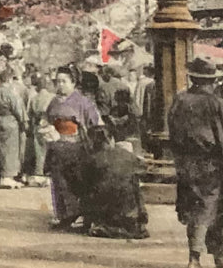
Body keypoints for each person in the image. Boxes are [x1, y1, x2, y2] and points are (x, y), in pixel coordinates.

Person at [169, 58, 223, 268]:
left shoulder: (179, 101)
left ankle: (217, 252)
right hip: (211, 164)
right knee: (209, 207)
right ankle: (195, 259)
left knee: (195, 208)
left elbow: (172, 133)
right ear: (212, 81)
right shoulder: (217, 104)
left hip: (186, 163)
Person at [44, 65, 102, 230]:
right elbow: (46, 119)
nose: (60, 84)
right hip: (56, 146)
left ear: (73, 83)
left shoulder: (83, 102)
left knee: (75, 183)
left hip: (76, 147)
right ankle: (62, 215)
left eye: (64, 81)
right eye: (58, 81)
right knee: (58, 183)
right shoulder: (54, 101)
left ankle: (78, 216)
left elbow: (94, 125)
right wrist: (47, 129)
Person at [78, 126, 149, 239]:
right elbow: (143, 169)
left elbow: (83, 187)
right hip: (131, 212)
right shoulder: (127, 155)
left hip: (105, 210)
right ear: (111, 139)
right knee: (133, 183)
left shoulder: (91, 159)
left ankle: (101, 224)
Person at [0, 61, 27, 188]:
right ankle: (8, 176)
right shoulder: (10, 93)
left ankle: (3, 175)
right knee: (11, 149)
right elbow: (18, 109)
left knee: (1, 149)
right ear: (9, 78)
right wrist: (23, 122)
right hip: (11, 122)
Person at [99, 64, 141, 149]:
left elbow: (103, 109)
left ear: (108, 74)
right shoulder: (125, 86)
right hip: (127, 123)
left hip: (111, 122)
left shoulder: (103, 87)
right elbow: (134, 108)